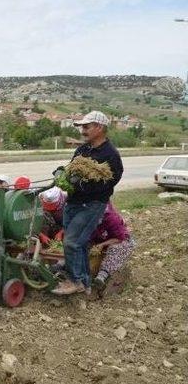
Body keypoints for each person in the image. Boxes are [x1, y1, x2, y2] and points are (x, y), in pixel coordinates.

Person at [51, 111, 124, 296]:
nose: (83, 130)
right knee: (81, 243)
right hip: (73, 202)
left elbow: (110, 182)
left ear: (99, 128)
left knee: (72, 242)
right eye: (82, 127)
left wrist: (83, 185)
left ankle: (74, 280)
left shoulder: (110, 155)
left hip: (92, 204)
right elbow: (72, 169)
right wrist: (62, 174)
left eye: (86, 126)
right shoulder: (83, 150)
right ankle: (84, 282)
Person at [90, 203, 135, 296]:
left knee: (116, 248)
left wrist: (102, 244)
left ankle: (103, 274)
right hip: (100, 240)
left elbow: (119, 238)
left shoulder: (111, 219)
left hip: (119, 240)